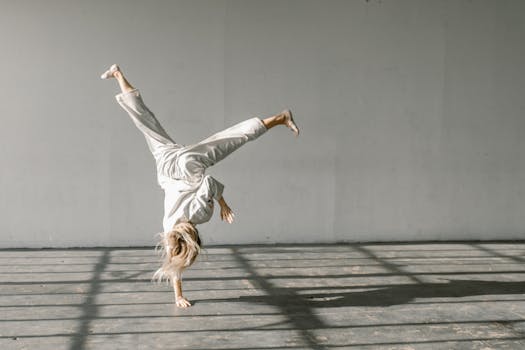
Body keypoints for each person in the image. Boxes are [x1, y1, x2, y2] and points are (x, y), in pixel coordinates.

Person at [101, 64, 300, 307]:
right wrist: (178, 295)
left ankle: (280, 118)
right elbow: (174, 260)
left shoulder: (198, 216)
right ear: (181, 238)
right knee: (145, 120)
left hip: (183, 166)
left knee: (229, 139)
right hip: (170, 166)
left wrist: (223, 204)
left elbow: (208, 182)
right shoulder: (170, 227)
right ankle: (118, 74)